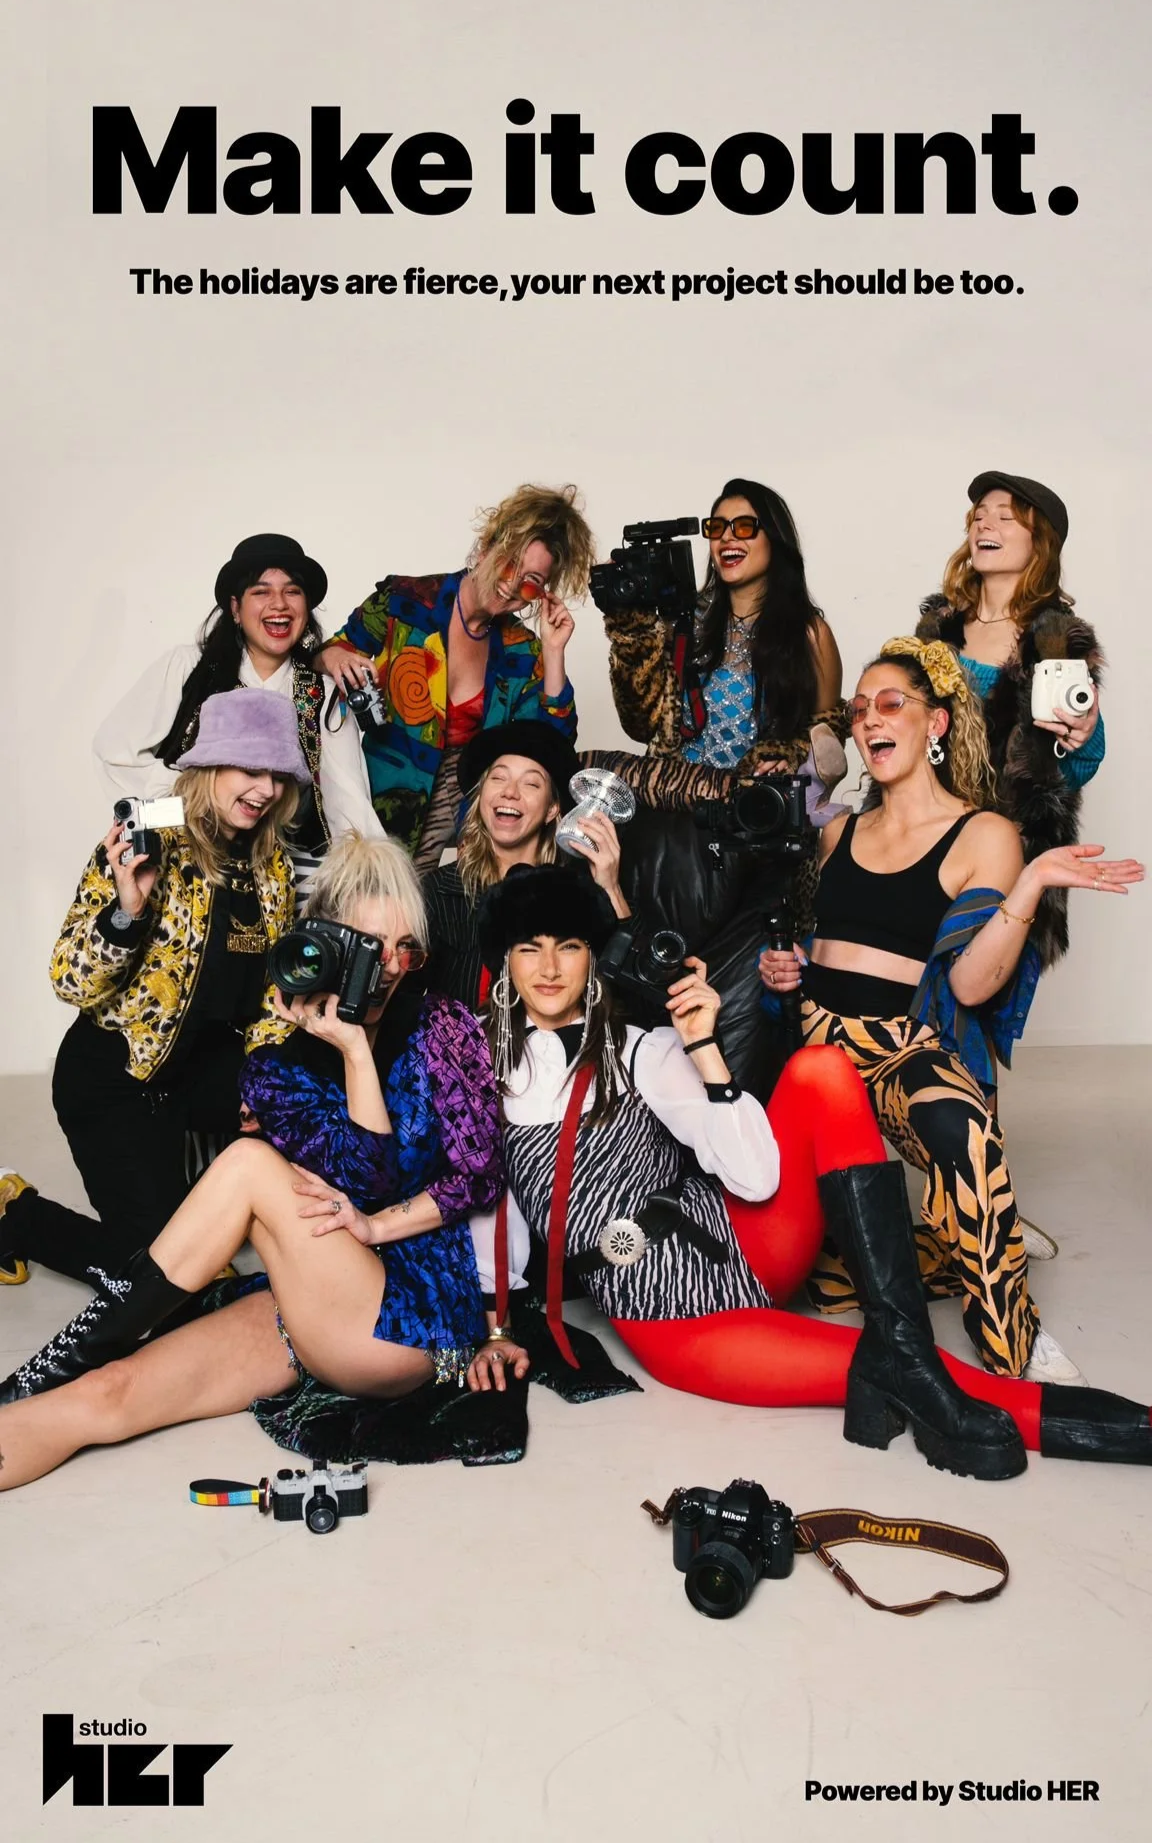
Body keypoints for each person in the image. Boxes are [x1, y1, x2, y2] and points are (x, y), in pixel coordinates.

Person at [465, 863, 1152, 1477]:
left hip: (742, 1238)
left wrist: (703, 1047)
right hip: (675, 1312)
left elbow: (757, 1179)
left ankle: (901, 1338)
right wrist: (495, 1327)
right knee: (901, 1375)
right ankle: (1114, 1426)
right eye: (530, 947)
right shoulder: (486, 1079)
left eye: (569, 945)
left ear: (594, 957)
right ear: (506, 961)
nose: (550, 966)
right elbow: (493, 1215)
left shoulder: (642, 1048)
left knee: (821, 1069)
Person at [0, 835, 506, 1488]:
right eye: (362, 945)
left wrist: (357, 1057)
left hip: (414, 1320)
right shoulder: (276, 1065)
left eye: (402, 948)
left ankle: (65, 1353)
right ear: (325, 943)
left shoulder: (444, 1026)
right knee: (109, 1392)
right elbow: (331, 1201)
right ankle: (31, 1387)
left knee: (246, 1162)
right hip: (312, 1305)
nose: (383, 966)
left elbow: (470, 1174)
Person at [757, 638, 1142, 1382]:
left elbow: (969, 986)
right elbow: (830, 943)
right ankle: (957, 1233)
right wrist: (792, 967)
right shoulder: (837, 828)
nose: (870, 718)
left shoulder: (984, 834)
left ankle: (1013, 1344)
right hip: (816, 1054)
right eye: (860, 708)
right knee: (832, 1286)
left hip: (901, 1046)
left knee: (959, 1128)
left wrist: (1028, 888)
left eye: (890, 703)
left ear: (934, 723)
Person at [0, 688, 304, 1290]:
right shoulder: (149, 845)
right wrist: (127, 911)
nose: (265, 788)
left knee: (315, 1089)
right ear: (209, 767)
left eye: (275, 774)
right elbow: (70, 978)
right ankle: (15, 1215)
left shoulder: (273, 867)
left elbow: (275, 993)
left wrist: (262, 1082)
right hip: (115, 1078)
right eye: (249, 768)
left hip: (198, 1078)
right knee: (156, 1276)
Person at [314, 485, 595, 869]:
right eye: (509, 563)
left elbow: (552, 747)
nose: (512, 585)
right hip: (389, 796)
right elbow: (332, 652)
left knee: (469, 911)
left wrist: (553, 651)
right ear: (486, 548)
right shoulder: (404, 601)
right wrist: (332, 656)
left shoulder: (522, 649)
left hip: (475, 809)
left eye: (530, 581)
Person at [94, 532, 382, 882]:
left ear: (306, 609)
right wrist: (188, 798)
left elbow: (348, 804)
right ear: (235, 608)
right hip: (188, 866)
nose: (279, 604)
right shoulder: (189, 669)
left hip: (288, 875)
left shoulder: (322, 693)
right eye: (261, 592)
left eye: (292, 591)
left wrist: (374, 884)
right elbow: (115, 750)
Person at [917, 472, 1104, 966]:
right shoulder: (937, 629)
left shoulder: (1058, 640)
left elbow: (1073, 766)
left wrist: (1081, 735)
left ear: (1038, 543)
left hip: (1013, 851)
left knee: (980, 1000)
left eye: (1005, 517)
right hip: (925, 841)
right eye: (979, 517)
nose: (986, 524)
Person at [422, 721, 630, 1009]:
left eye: (531, 783)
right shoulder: (438, 890)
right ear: (481, 797)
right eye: (498, 779)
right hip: (463, 1052)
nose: (510, 792)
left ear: (552, 810)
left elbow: (632, 1000)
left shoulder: (577, 892)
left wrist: (610, 887)